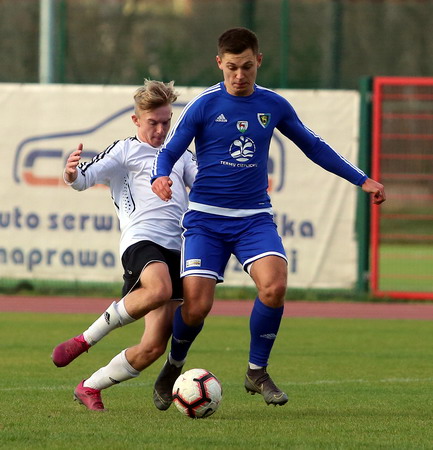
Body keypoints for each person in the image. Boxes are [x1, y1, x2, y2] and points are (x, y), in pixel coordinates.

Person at [150, 27, 386, 409]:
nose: (239, 75)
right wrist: (159, 176)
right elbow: (169, 151)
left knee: (274, 287)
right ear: (219, 63)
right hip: (206, 219)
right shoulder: (203, 105)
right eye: (231, 68)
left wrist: (362, 179)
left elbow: (314, 146)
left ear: (259, 61)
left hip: (253, 218)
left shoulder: (273, 105)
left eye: (247, 67)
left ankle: (256, 372)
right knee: (196, 307)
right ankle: (174, 364)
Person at [51, 79, 197, 411]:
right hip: (141, 239)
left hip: (178, 247)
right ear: (136, 120)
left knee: (154, 347)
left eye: (166, 122)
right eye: (153, 123)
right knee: (159, 289)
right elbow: (84, 178)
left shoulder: (181, 155)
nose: (160, 130)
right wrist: (72, 174)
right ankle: (83, 340)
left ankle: (90, 386)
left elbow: (203, 186)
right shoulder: (125, 150)